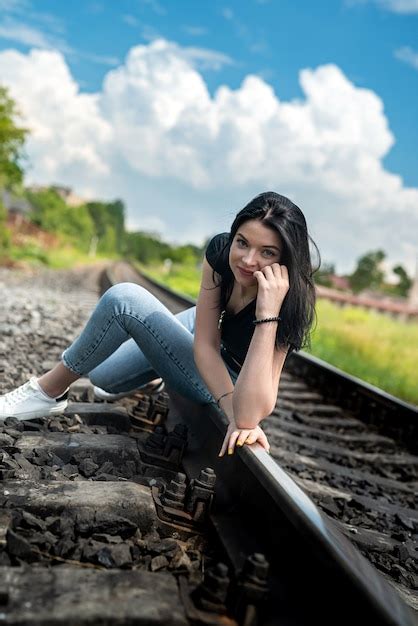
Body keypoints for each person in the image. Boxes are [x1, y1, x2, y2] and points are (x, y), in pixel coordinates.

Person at [0, 192, 318, 457]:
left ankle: (46, 392)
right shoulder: (221, 254)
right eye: (243, 242)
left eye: (267, 252)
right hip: (208, 348)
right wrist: (225, 403)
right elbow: (205, 343)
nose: (248, 260)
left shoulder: (291, 301)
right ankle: (160, 373)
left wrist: (267, 313)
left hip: (236, 376)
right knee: (102, 377)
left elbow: (250, 415)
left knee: (125, 298)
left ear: (285, 259)